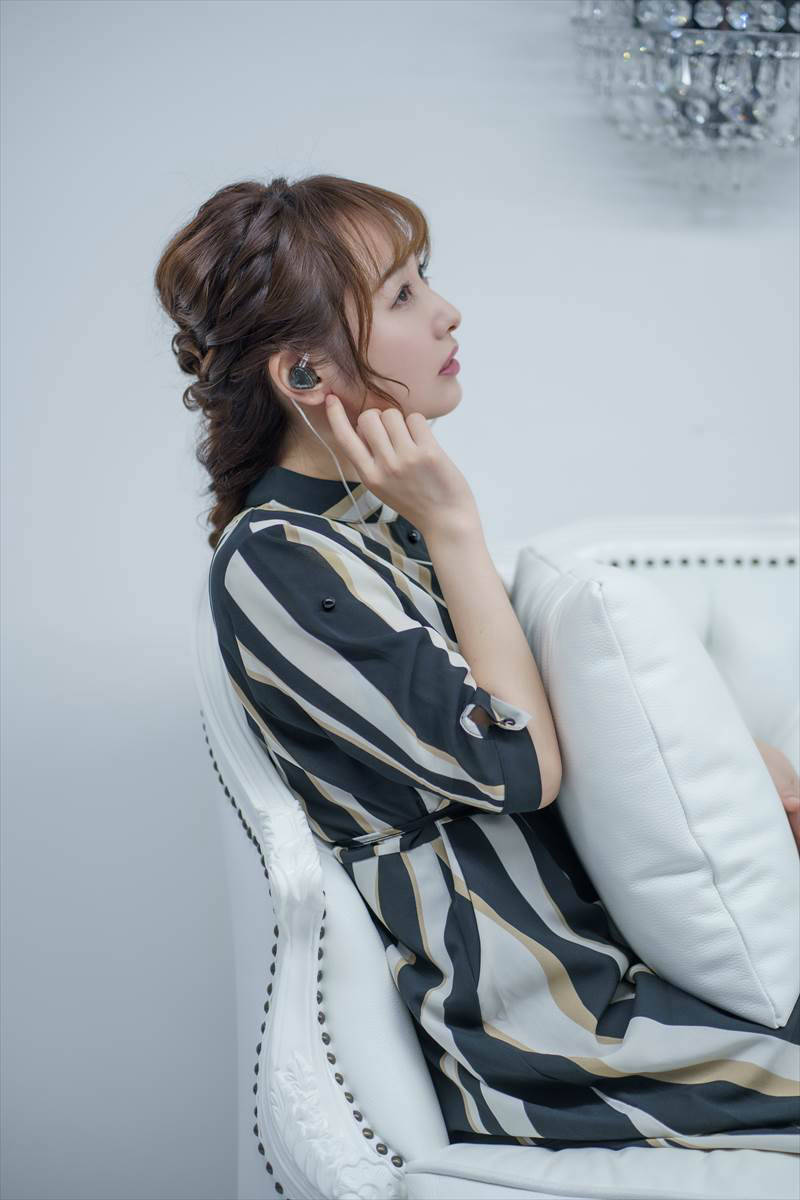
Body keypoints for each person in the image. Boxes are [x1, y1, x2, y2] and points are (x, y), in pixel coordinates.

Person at [154, 173, 800, 1153]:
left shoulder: (367, 528)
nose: (446, 312)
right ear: (305, 374)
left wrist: (749, 772)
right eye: (403, 294)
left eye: (425, 280)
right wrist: (455, 522)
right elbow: (518, 765)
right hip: (553, 1036)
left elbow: (561, 719)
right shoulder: (278, 561)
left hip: (614, 980)